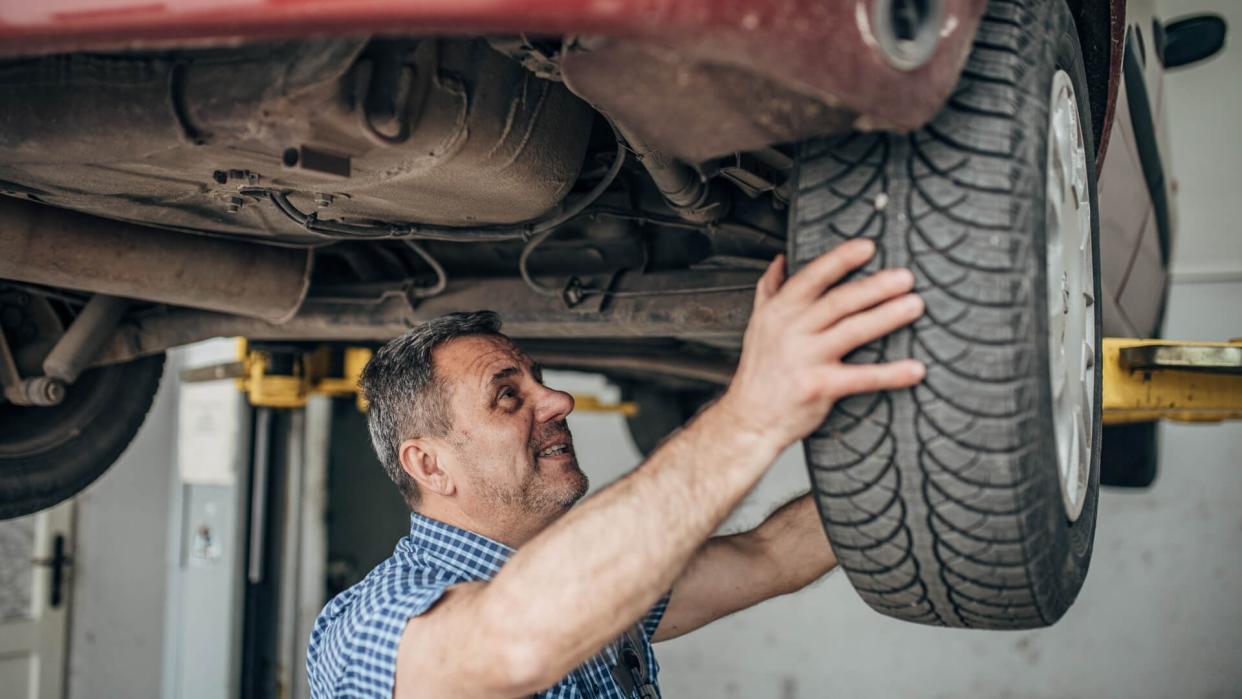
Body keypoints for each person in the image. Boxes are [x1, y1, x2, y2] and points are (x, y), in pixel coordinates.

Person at [307, 240, 926, 698]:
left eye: (539, 382)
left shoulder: (596, 590)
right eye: (507, 396)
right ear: (429, 464)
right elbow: (510, 645)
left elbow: (771, 556)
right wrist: (753, 412)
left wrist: (932, 461)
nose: (558, 402)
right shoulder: (366, 624)